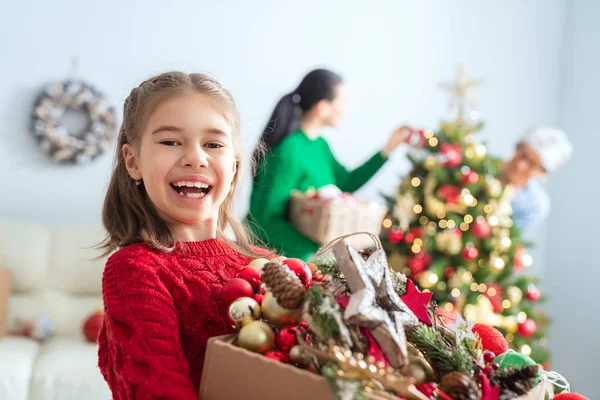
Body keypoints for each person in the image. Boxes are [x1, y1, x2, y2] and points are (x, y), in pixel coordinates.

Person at [97, 72, 268, 399]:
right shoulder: (135, 271)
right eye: (170, 141)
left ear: (233, 165)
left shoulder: (268, 266)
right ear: (133, 161)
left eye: (213, 144)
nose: (195, 157)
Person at [246, 69, 410, 261]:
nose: (346, 109)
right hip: (276, 263)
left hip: (307, 262)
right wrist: (323, 246)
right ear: (323, 107)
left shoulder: (320, 145)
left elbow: (346, 183)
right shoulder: (289, 151)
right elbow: (264, 220)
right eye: (343, 102)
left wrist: (387, 149)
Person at [503, 126, 573, 231]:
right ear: (518, 147)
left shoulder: (535, 205)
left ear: (542, 172)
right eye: (523, 155)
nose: (520, 165)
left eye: (532, 164)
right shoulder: (481, 165)